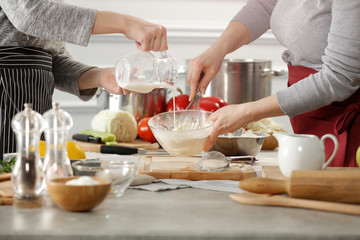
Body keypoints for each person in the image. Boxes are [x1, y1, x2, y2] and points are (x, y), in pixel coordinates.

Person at [187, 0, 360, 167]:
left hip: (350, 127)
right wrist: (218, 50)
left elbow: (340, 76)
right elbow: (267, 4)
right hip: (314, 117)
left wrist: (247, 112)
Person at [0, 0, 168, 158]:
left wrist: (100, 76)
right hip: (5, 96)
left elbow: (53, 62)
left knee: (28, 178)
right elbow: (31, 14)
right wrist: (126, 24)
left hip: (36, 106)